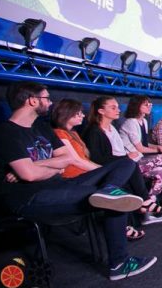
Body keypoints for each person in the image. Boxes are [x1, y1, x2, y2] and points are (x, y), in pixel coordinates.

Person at [0, 82, 156, 280]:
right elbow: (30, 175)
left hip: (60, 184)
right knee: (118, 200)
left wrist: (37, 165)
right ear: (32, 101)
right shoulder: (4, 133)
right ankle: (119, 263)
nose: (50, 102)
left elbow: (66, 159)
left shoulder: (41, 127)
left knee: (126, 163)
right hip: (30, 198)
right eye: (46, 98)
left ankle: (108, 189)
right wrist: (46, 167)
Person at [51, 98, 151, 240]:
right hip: (76, 177)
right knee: (125, 169)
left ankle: (140, 208)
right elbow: (76, 161)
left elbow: (86, 159)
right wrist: (103, 170)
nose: (83, 115)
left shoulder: (73, 133)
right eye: (78, 113)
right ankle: (141, 206)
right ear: (67, 114)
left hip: (87, 172)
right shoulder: (60, 133)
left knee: (126, 167)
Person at [82, 97, 162, 225]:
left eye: (117, 107)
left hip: (124, 163)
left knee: (161, 171)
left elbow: (121, 150)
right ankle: (153, 200)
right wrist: (125, 158)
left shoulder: (112, 128)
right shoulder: (94, 131)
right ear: (101, 111)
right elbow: (97, 158)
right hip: (113, 167)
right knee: (150, 161)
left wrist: (125, 157)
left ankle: (148, 208)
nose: (118, 110)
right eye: (113, 108)